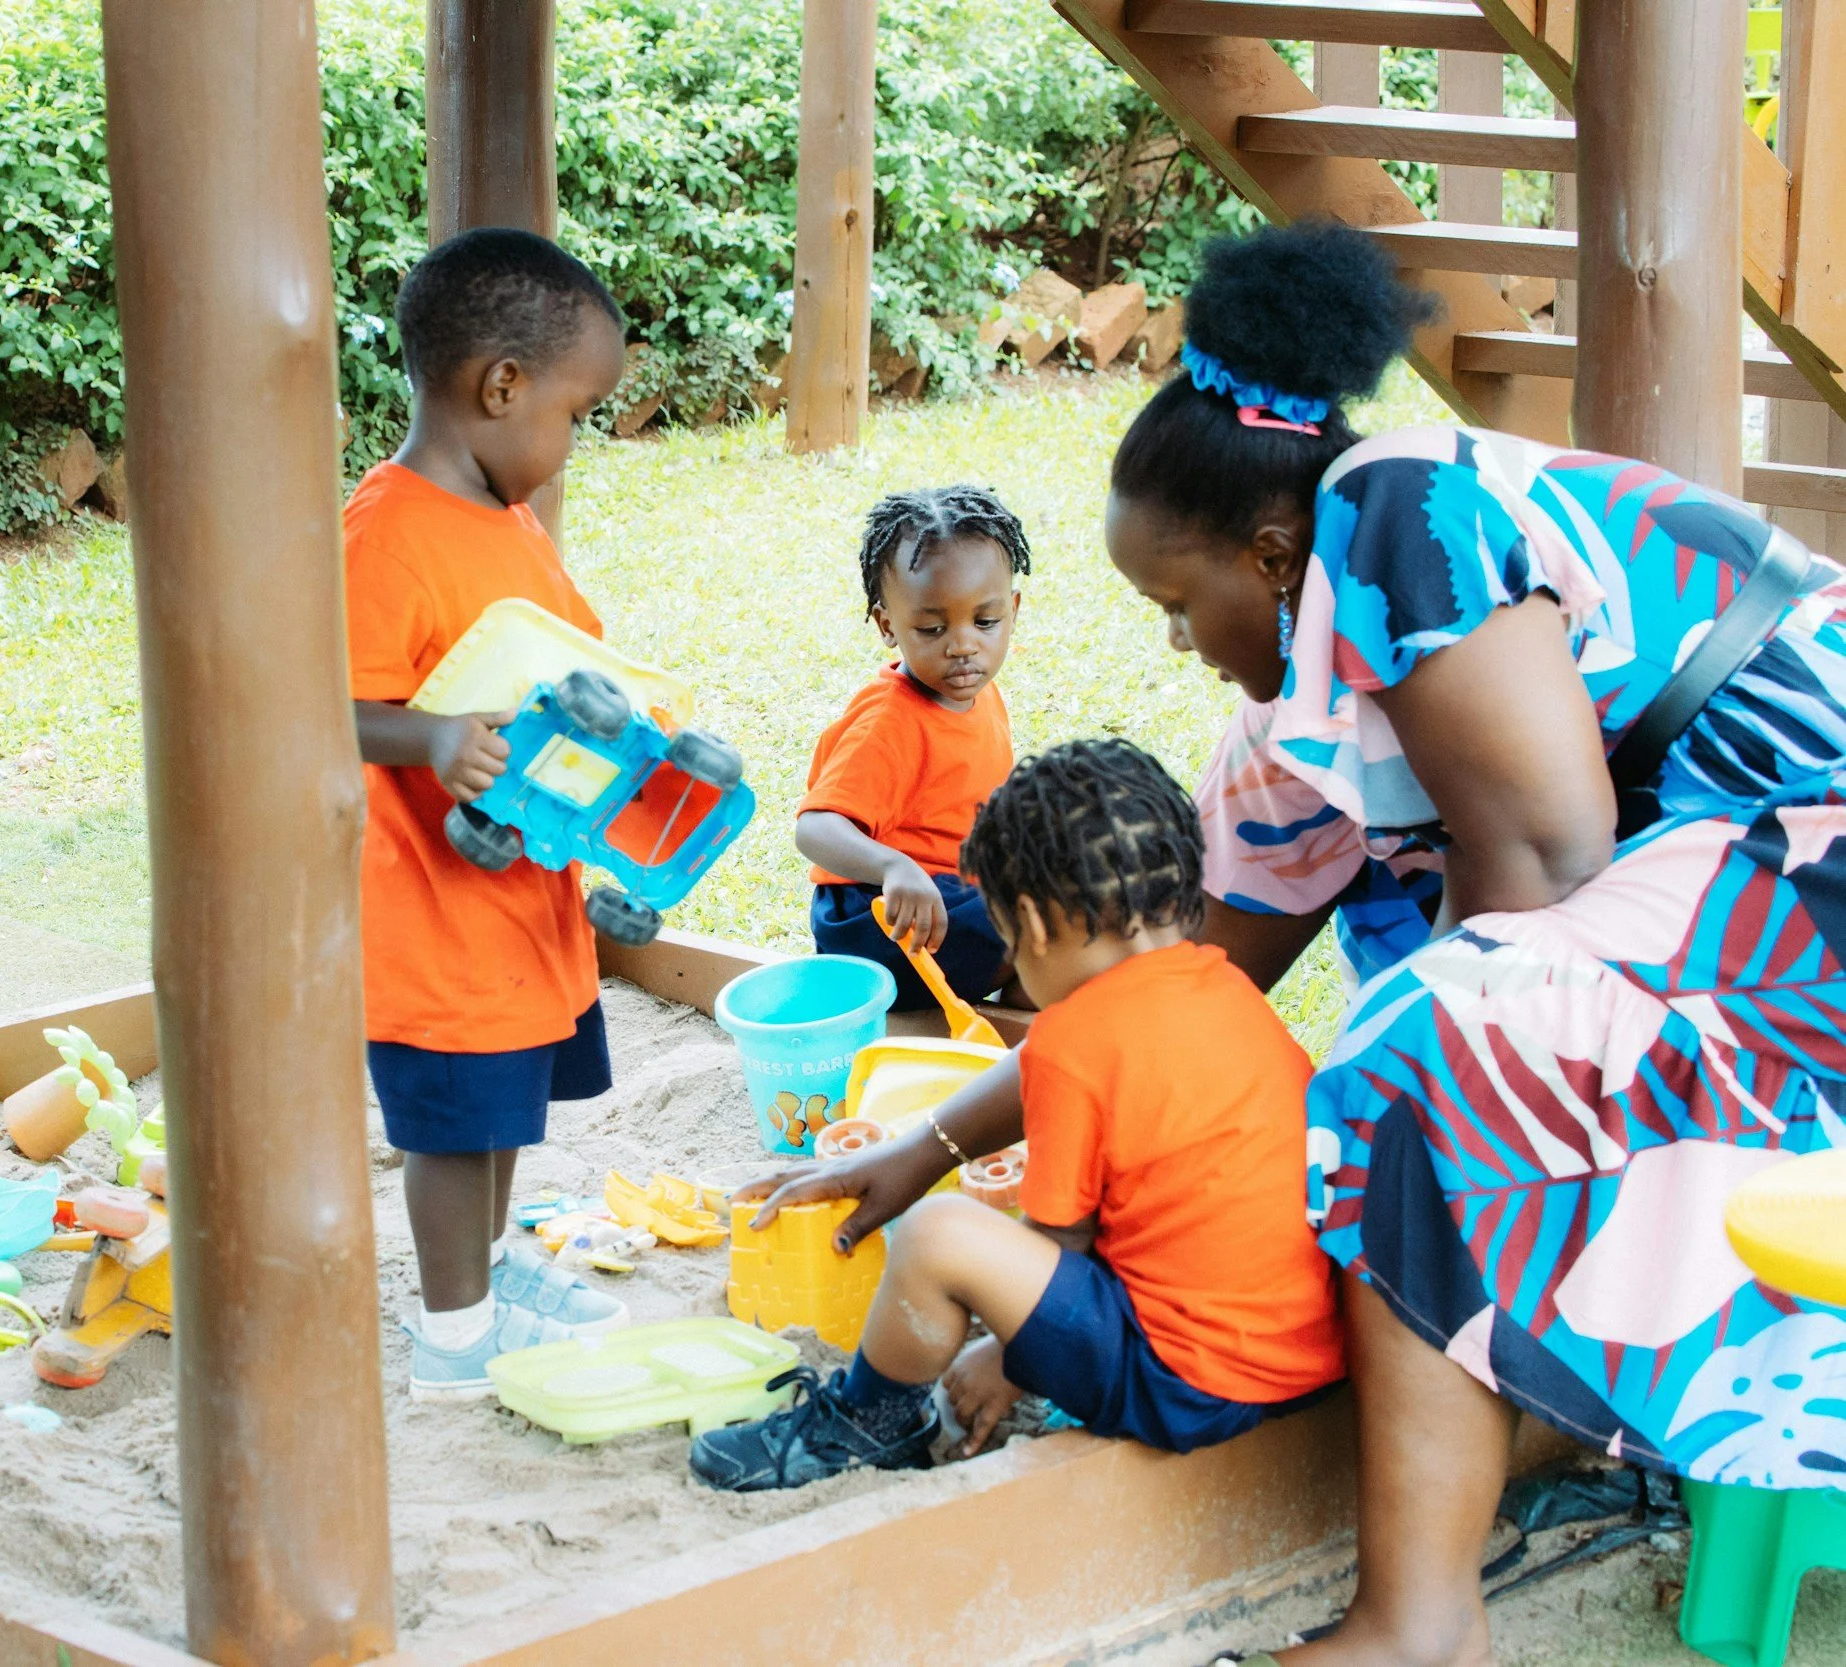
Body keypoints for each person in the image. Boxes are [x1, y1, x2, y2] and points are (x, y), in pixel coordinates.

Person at [780, 221, 1846, 1667]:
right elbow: (1158, 987)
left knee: (1413, 1058)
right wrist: (931, 1145)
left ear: (1274, 551)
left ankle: (1418, 1621)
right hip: (1711, 887)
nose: (1177, 641)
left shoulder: (1402, 510)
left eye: (1178, 602)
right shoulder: (1296, 719)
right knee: (1418, 1059)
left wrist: (1417, 1083)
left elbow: (1544, 854)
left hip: (1810, 829)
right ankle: (1520, 1448)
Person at [693, 739, 1343, 1491]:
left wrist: (1007, 1358)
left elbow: (1057, 1243)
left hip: (1188, 1382)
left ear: (1030, 923)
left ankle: (867, 1423)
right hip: (1296, 1359)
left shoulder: (1076, 1038)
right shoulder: (1233, 995)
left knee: (942, 1236)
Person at [343, 227, 634, 1398]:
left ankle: (497, 1274)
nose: (573, 442)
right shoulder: (385, 532)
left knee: (505, 1106)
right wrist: (429, 738)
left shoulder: (503, 518)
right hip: (431, 908)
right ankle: (453, 1336)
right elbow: (319, 702)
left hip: (518, 889)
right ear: (500, 387)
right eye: (575, 413)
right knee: (453, 1132)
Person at [796, 487, 1031, 1009]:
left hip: (950, 895)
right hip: (876, 917)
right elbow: (815, 829)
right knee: (1045, 924)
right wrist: (893, 867)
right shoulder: (890, 722)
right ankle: (1019, 1010)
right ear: (887, 625)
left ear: (1012, 609)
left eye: (985, 622)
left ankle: (1021, 1007)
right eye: (931, 628)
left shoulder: (981, 692)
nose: (963, 644)